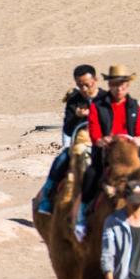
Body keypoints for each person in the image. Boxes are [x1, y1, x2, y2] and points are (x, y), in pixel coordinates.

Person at [80, 65, 140, 239]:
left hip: (131, 151)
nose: (119, 89)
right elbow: (94, 130)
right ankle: (82, 217)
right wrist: (101, 140)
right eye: (115, 84)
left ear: (128, 85)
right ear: (109, 85)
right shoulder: (98, 106)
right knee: (90, 176)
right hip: (107, 152)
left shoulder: (134, 106)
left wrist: (139, 139)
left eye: (122, 85)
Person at [36, 65, 107, 215]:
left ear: (95, 80)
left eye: (87, 84)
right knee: (61, 160)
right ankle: (47, 197)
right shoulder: (74, 100)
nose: (84, 89)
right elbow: (68, 127)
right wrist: (76, 116)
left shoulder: (106, 98)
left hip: (103, 143)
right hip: (80, 142)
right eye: (80, 85)